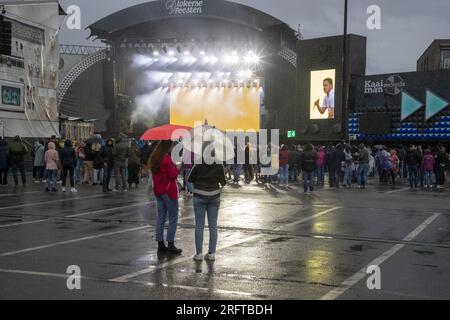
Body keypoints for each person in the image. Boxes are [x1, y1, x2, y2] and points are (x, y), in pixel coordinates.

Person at [188, 142, 227, 261]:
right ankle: (211, 253)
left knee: (199, 225)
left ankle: (199, 254)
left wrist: (193, 191)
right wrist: (218, 190)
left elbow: (189, 179)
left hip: (199, 196)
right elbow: (224, 182)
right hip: (214, 196)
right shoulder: (219, 164)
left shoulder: (198, 164)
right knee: (213, 225)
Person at [148, 140, 182, 254]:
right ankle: (171, 243)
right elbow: (172, 175)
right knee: (173, 218)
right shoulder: (167, 159)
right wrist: (178, 167)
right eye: (171, 145)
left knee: (161, 218)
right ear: (167, 146)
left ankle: (160, 244)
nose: (172, 147)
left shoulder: (154, 158)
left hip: (158, 191)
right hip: (168, 191)